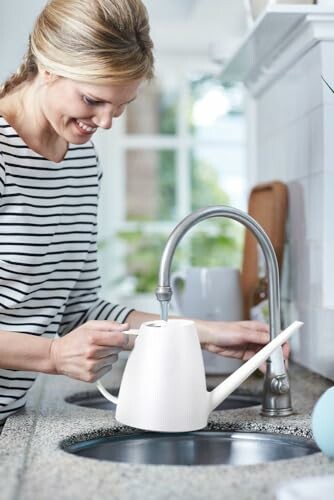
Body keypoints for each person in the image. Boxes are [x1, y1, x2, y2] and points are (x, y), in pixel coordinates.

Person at [0, 0, 286, 422]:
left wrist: (205, 334)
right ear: (48, 67)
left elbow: (79, 309)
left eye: (120, 106)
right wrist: (53, 355)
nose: (106, 122)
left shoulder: (81, 163)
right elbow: (58, 344)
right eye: (93, 100)